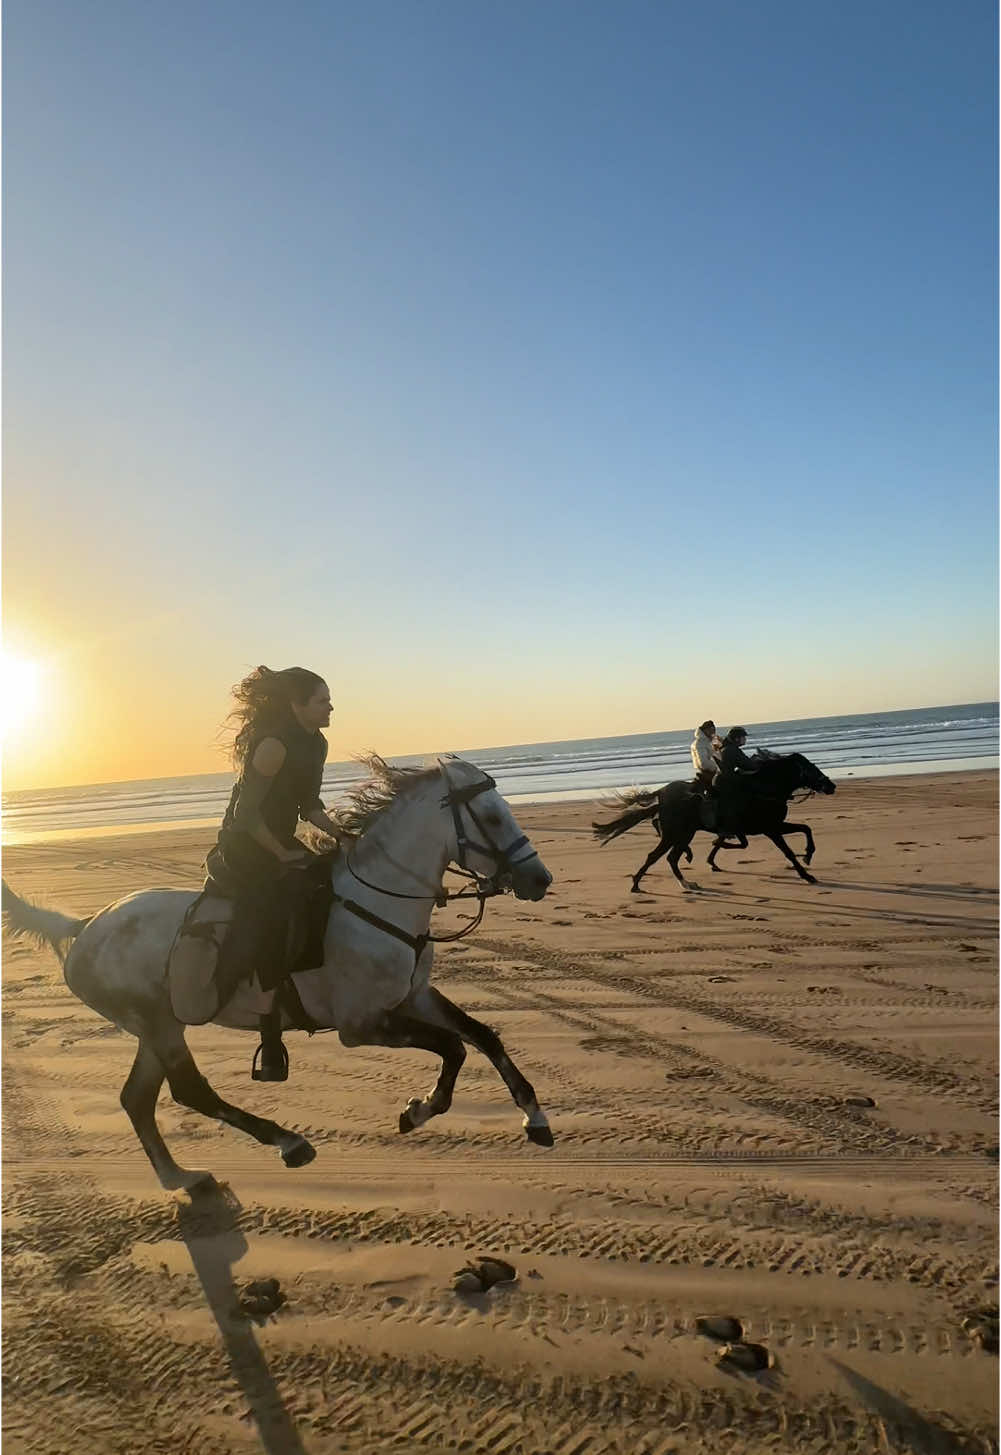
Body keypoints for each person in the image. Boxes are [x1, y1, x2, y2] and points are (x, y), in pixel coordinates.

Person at [204, 666, 339, 1081]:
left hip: (278, 839)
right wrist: (282, 853)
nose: (330, 706)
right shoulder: (273, 746)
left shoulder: (316, 743)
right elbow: (245, 816)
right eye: (321, 700)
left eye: (328, 699)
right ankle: (269, 1033)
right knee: (276, 910)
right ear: (296, 705)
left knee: (329, 885)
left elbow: (309, 807)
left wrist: (346, 836)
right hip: (244, 846)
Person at [713, 726, 757, 835]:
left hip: (722, 780)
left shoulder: (728, 748)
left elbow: (743, 763)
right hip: (726, 782)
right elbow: (749, 765)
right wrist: (757, 761)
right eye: (743, 737)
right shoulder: (732, 750)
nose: (745, 739)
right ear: (737, 739)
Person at [690, 720, 719, 791]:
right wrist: (718, 767)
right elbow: (703, 763)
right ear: (705, 730)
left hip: (712, 771)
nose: (713, 732)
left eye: (714, 730)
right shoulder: (700, 743)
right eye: (711, 730)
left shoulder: (709, 742)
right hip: (707, 773)